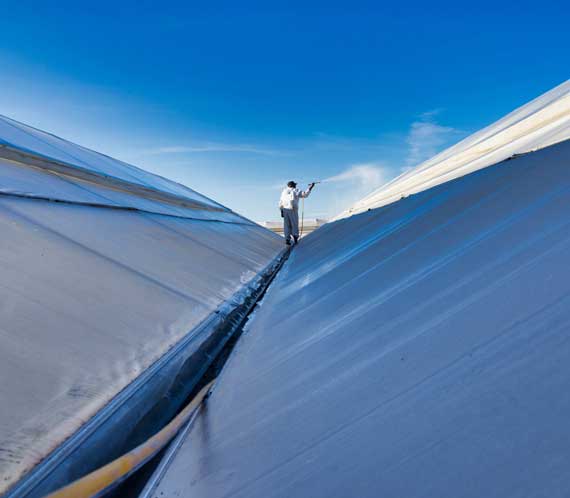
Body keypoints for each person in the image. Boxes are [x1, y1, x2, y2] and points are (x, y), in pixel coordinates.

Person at [279, 181, 316, 245]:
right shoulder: (295, 190)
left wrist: (281, 211)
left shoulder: (284, 191)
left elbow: (280, 202)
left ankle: (287, 239)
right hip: (292, 209)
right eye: (295, 185)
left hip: (285, 210)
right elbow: (304, 194)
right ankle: (295, 237)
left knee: (287, 225)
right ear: (293, 185)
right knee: (294, 223)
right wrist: (310, 187)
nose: (296, 186)